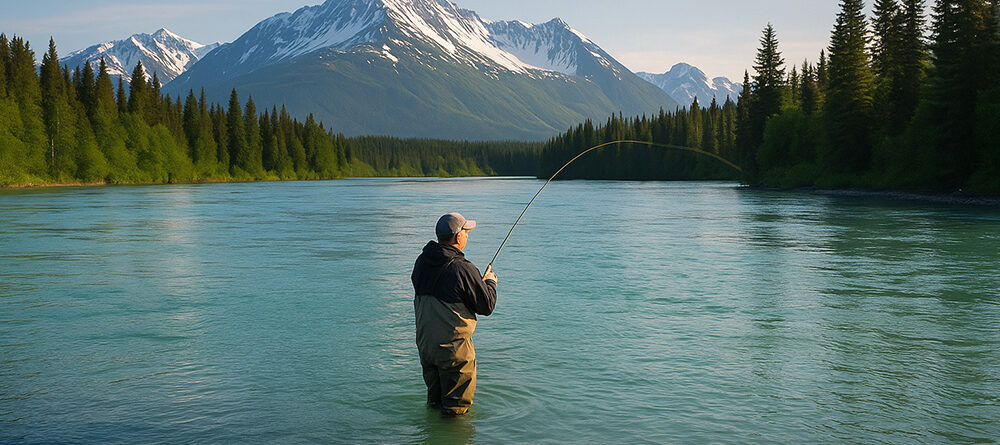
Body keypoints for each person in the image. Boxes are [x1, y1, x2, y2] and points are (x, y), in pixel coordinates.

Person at [411, 212, 498, 416]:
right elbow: (486, 306)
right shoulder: (462, 268)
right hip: (454, 352)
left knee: (434, 404)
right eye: (466, 232)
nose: (468, 236)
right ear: (458, 237)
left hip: (426, 347)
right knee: (455, 412)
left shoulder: (422, 262)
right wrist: (490, 283)